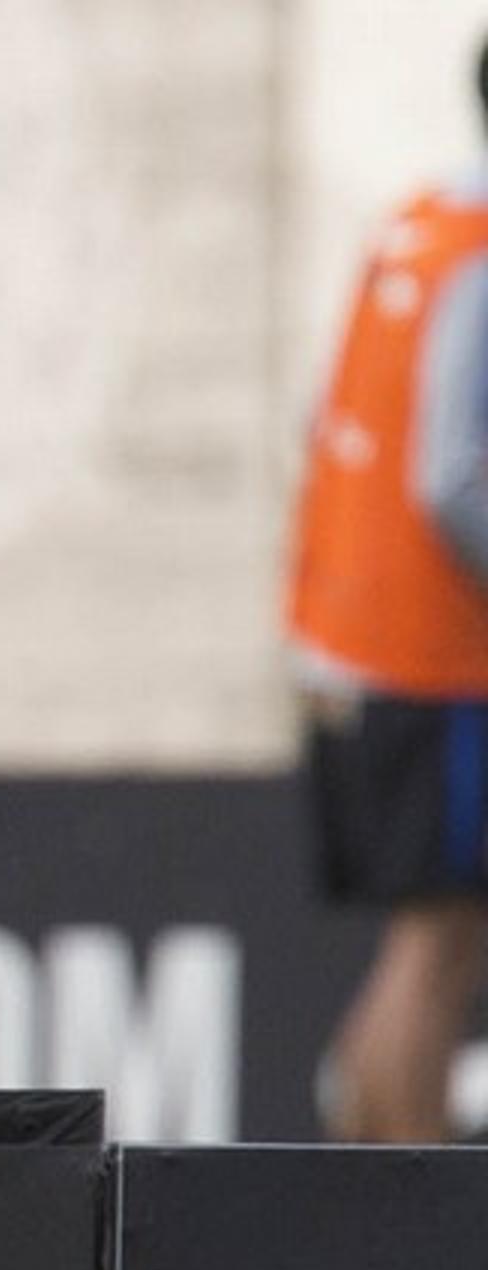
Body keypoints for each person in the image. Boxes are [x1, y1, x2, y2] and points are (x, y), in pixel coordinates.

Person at [290, 41, 488, 1144]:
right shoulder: (485, 253)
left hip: (352, 643)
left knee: (422, 938)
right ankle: (422, 1232)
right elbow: (453, 474)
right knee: (444, 939)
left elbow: (319, 426)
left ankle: (362, 1199)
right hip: (434, 659)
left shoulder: (419, 223)